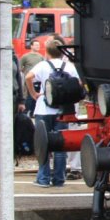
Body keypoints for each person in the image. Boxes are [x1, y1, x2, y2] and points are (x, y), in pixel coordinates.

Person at [26, 38, 80, 187]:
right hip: (62, 111)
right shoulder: (69, 66)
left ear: (47, 51)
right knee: (61, 146)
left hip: (43, 108)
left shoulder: (42, 65)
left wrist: (33, 93)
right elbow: (79, 83)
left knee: (43, 144)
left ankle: (43, 179)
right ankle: (59, 179)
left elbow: (28, 76)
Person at [0, 39, 24, 180]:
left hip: (12, 99)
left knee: (10, 134)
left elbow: (18, 78)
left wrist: (21, 100)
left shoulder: (13, 56)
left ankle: (5, 164)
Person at [19, 38, 43, 114]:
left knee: (38, 96)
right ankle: (27, 112)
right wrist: (26, 73)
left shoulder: (41, 57)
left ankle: (34, 112)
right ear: (31, 46)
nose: (37, 46)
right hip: (29, 80)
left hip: (39, 81)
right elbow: (20, 67)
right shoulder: (25, 56)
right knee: (29, 97)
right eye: (36, 45)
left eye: (38, 45)